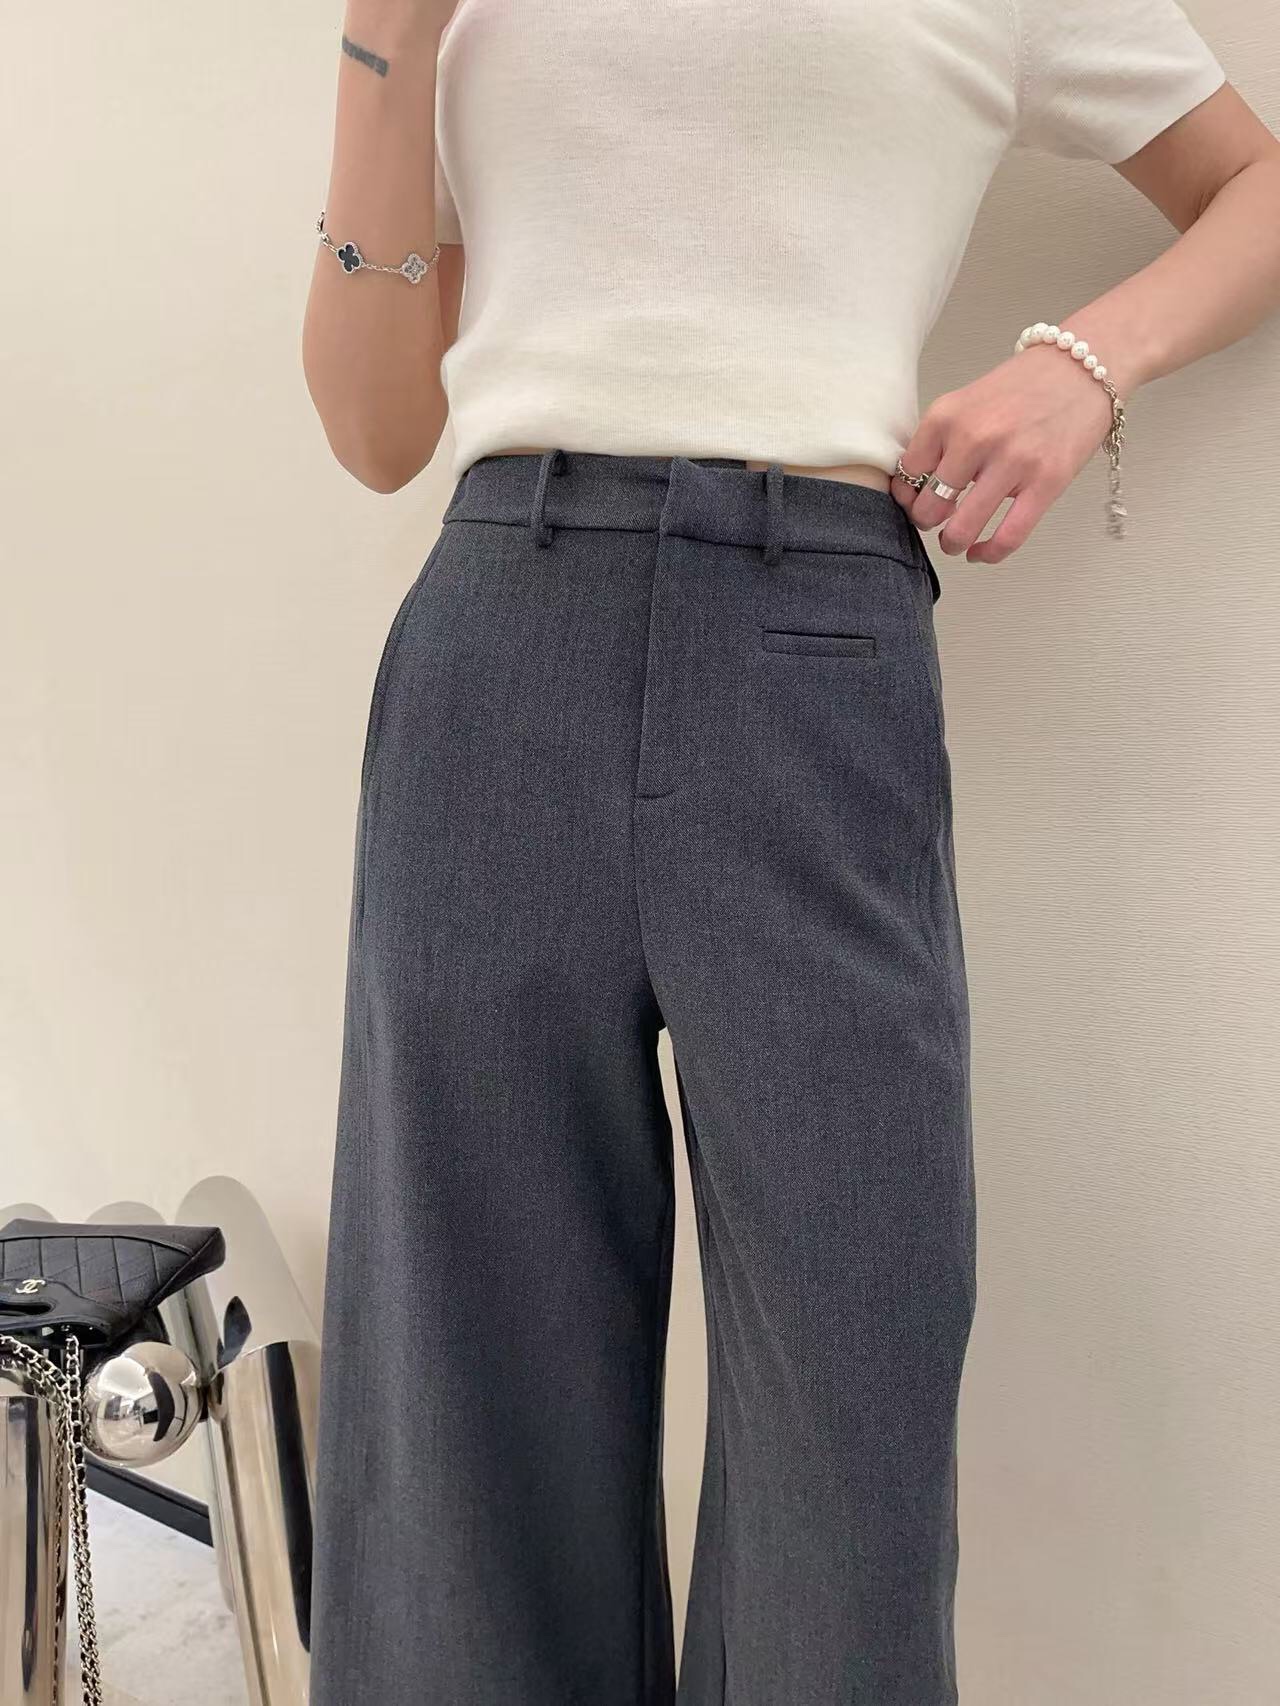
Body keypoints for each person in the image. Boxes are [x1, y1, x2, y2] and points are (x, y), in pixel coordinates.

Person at [300, 3, 1280, 1701]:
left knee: (854, 1410)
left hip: (815, 641)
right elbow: (378, 426)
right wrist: (385, 38)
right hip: (500, 636)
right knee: (464, 1410)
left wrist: (1083, 363)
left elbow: (1256, 188)